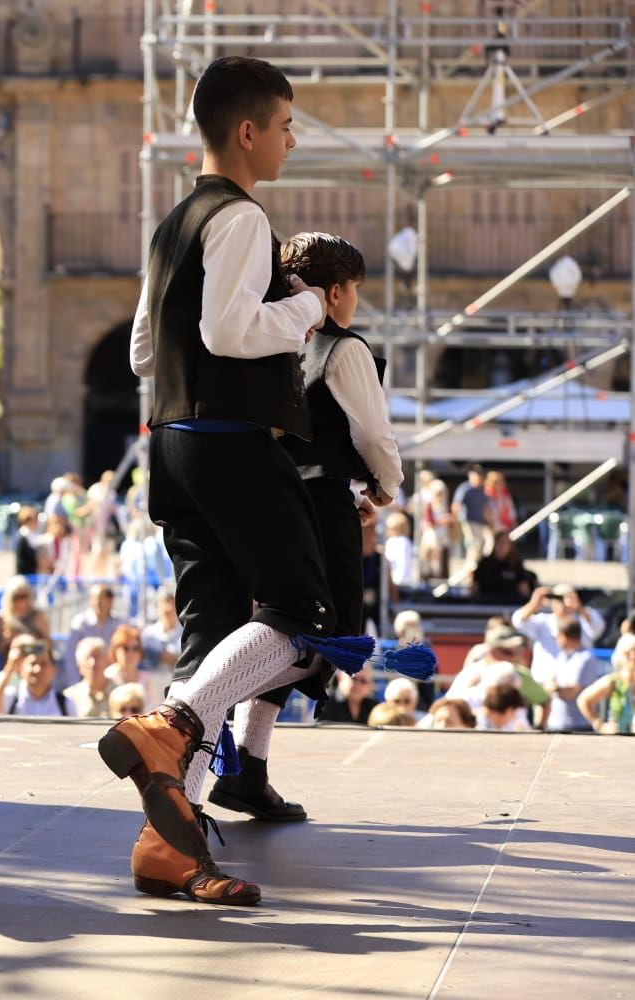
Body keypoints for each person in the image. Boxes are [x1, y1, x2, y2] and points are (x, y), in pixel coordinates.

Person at [106, 56, 369, 906]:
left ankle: (168, 849)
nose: (292, 140)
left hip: (173, 443)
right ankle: (171, 727)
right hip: (229, 443)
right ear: (248, 131)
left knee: (211, 636)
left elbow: (146, 351)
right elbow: (227, 331)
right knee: (302, 613)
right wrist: (304, 310)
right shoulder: (243, 218)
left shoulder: (174, 221)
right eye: (287, 126)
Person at [218, 231, 404, 824]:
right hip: (321, 503)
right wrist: (385, 484)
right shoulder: (342, 348)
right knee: (326, 636)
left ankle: (248, 768)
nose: (355, 302)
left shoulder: (273, 341)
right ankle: (201, 711)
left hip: (267, 496)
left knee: (290, 626)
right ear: (336, 290)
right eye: (353, 290)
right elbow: (372, 433)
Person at [512, 584, 607, 688]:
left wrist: (579, 607)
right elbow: (518, 621)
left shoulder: (582, 621)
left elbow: (597, 627)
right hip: (545, 685)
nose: (563, 603)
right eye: (558, 599)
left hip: (575, 686)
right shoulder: (544, 621)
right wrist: (534, 603)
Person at [0, 635, 71, 716]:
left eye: (31, 648)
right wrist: (10, 669)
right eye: (23, 650)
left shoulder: (63, 702)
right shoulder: (0, 680)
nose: (37, 668)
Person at [541, 616, 604, 733]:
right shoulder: (562, 656)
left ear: (564, 636)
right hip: (556, 723)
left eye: (557, 636)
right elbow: (549, 681)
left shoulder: (586, 658)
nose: (556, 640)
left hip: (578, 727)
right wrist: (554, 686)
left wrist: (554, 688)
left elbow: (570, 693)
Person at [61, 584, 121, 690]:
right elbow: (70, 656)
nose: (98, 602)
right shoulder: (80, 623)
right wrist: (74, 684)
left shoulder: (119, 623)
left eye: (102, 598)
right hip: (84, 682)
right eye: (95, 598)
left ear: (110, 600)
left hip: (111, 684)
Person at [576, 633, 635, 733]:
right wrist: (599, 725)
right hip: (618, 740)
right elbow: (583, 700)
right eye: (627, 653)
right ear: (620, 656)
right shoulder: (613, 681)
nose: (633, 657)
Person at [0, 575, 51, 661]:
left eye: (24, 596)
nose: (21, 601)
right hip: (11, 663)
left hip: (34, 662)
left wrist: (28, 645)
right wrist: (7, 639)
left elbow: (49, 644)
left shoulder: (38, 616)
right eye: (16, 597)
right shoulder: (3, 617)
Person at [471, 531, 538, 602]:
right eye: (499, 542)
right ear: (494, 544)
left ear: (510, 546)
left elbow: (524, 591)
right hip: (487, 605)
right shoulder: (484, 564)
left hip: (510, 605)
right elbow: (474, 590)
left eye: (505, 543)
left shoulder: (516, 565)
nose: (502, 546)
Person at [63, 636, 113, 718]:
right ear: (79, 666)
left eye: (97, 657)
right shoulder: (69, 697)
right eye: (88, 658)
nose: (92, 663)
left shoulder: (120, 692)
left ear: (107, 660)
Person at [453, 466, 492, 560]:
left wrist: (490, 520)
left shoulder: (483, 489)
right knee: (474, 544)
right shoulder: (465, 488)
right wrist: (455, 520)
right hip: (468, 521)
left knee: (487, 543)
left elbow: (486, 507)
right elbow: (456, 505)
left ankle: (479, 564)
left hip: (481, 522)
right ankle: (471, 565)